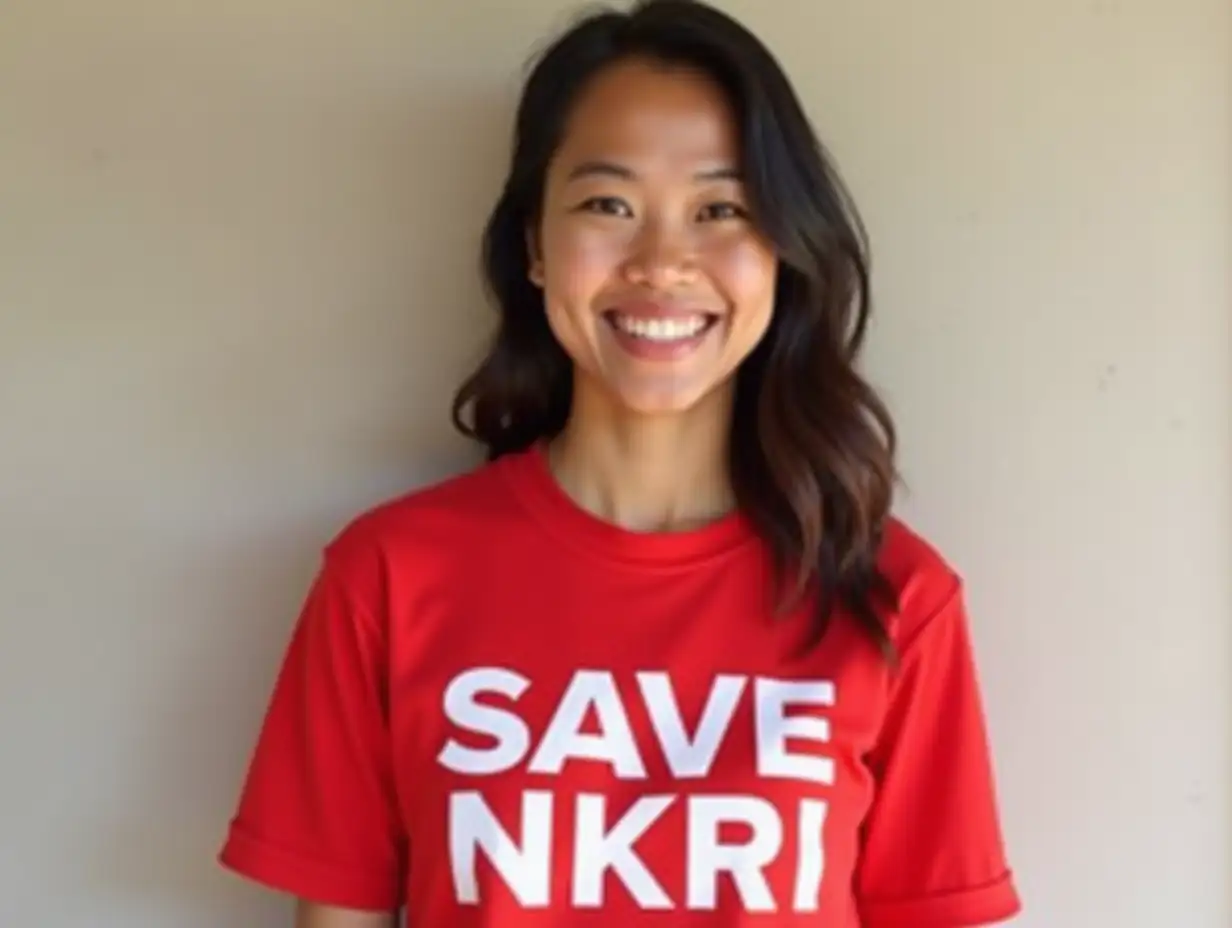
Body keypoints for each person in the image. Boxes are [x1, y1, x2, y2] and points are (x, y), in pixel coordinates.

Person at [217, 1, 1022, 925]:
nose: (662, 261)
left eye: (721, 209)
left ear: (781, 252)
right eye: (609, 204)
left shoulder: (894, 601)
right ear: (533, 245)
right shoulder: (389, 578)